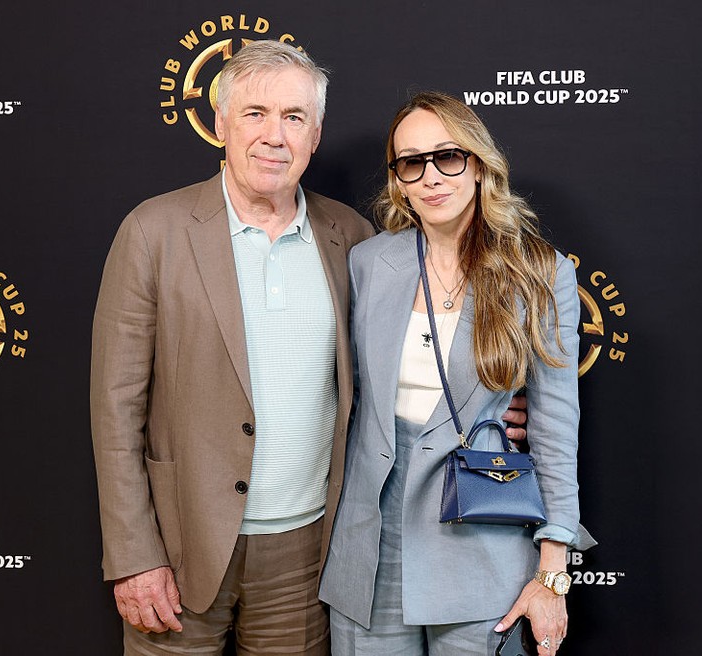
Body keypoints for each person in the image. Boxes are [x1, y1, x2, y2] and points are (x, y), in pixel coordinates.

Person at [91, 41, 530, 654]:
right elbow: (115, 413)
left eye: (294, 117)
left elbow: (401, 364)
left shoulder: (351, 238)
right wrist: (136, 556)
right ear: (219, 121)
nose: (275, 136)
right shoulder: (152, 232)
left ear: (316, 133)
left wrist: (493, 404)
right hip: (180, 547)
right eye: (255, 114)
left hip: (306, 556)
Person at [319, 91, 594, 656]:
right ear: (397, 179)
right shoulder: (370, 263)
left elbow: (554, 428)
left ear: (478, 163)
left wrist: (551, 573)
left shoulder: (539, 272)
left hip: (481, 546)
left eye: (447, 156)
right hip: (370, 550)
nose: (431, 177)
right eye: (411, 162)